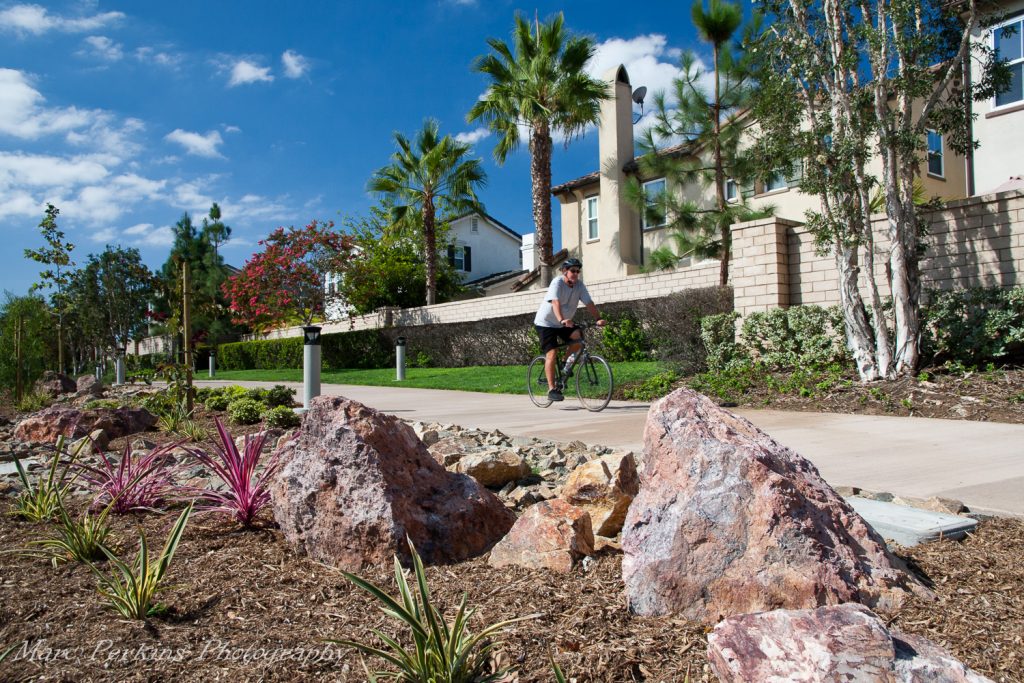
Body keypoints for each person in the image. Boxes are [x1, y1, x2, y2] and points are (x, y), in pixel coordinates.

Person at [533, 258, 605, 401]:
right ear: (565, 271)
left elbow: (589, 303)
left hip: (564, 323)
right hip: (546, 323)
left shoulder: (579, 286)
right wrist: (561, 319)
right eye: (573, 270)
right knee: (552, 353)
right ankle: (552, 390)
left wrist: (598, 318)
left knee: (578, 338)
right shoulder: (557, 283)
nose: (575, 273)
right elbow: (555, 302)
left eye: (578, 271)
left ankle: (565, 362)